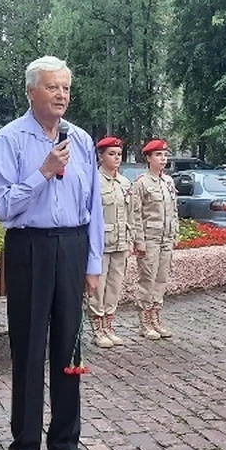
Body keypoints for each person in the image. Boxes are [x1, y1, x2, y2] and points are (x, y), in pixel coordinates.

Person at [0, 56, 103, 450]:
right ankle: (23, 449)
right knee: (30, 348)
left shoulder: (83, 139)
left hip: (72, 248)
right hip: (29, 248)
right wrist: (43, 173)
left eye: (67, 89)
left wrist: (92, 264)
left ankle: (65, 446)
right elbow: (1, 207)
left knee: (69, 353)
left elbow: (94, 208)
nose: (62, 96)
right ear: (32, 91)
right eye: (53, 88)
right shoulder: (11, 139)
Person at [130, 139, 179, 340]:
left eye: (165, 155)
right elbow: (135, 214)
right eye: (158, 155)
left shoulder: (168, 182)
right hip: (150, 238)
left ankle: (156, 318)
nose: (163, 159)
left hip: (166, 237)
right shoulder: (142, 182)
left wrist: (175, 234)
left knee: (161, 280)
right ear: (148, 158)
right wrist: (138, 241)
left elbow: (174, 210)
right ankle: (144, 322)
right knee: (147, 280)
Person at [87, 136, 131, 348]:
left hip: (121, 242)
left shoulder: (124, 182)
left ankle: (109, 325)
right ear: (101, 156)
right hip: (101, 243)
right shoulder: (94, 180)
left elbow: (132, 213)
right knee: (98, 287)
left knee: (114, 286)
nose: (116, 158)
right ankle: (97, 329)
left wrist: (132, 239)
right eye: (111, 154)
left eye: (119, 154)